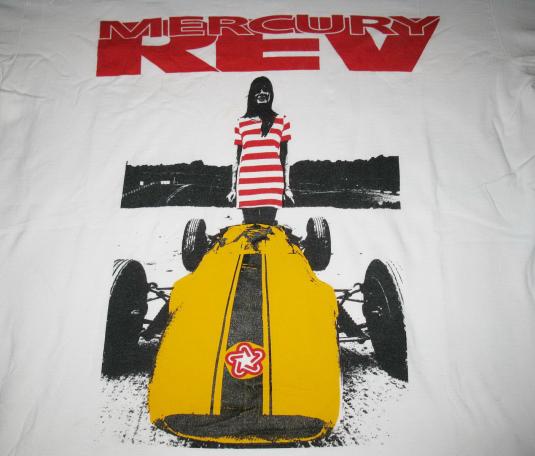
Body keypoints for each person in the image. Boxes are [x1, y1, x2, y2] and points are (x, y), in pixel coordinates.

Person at [226, 76, 294, 225]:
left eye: (265, 90)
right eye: (258, 90)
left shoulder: (282, 121)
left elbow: (284, 158)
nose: (262, 93)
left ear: (270, 94)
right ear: (252, 95)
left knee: (267, 229)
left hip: (272, 184)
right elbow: (237, 159)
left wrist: (286, 188)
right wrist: (233, 188)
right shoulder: (241, 123)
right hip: (247, 184)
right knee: (249, 230)